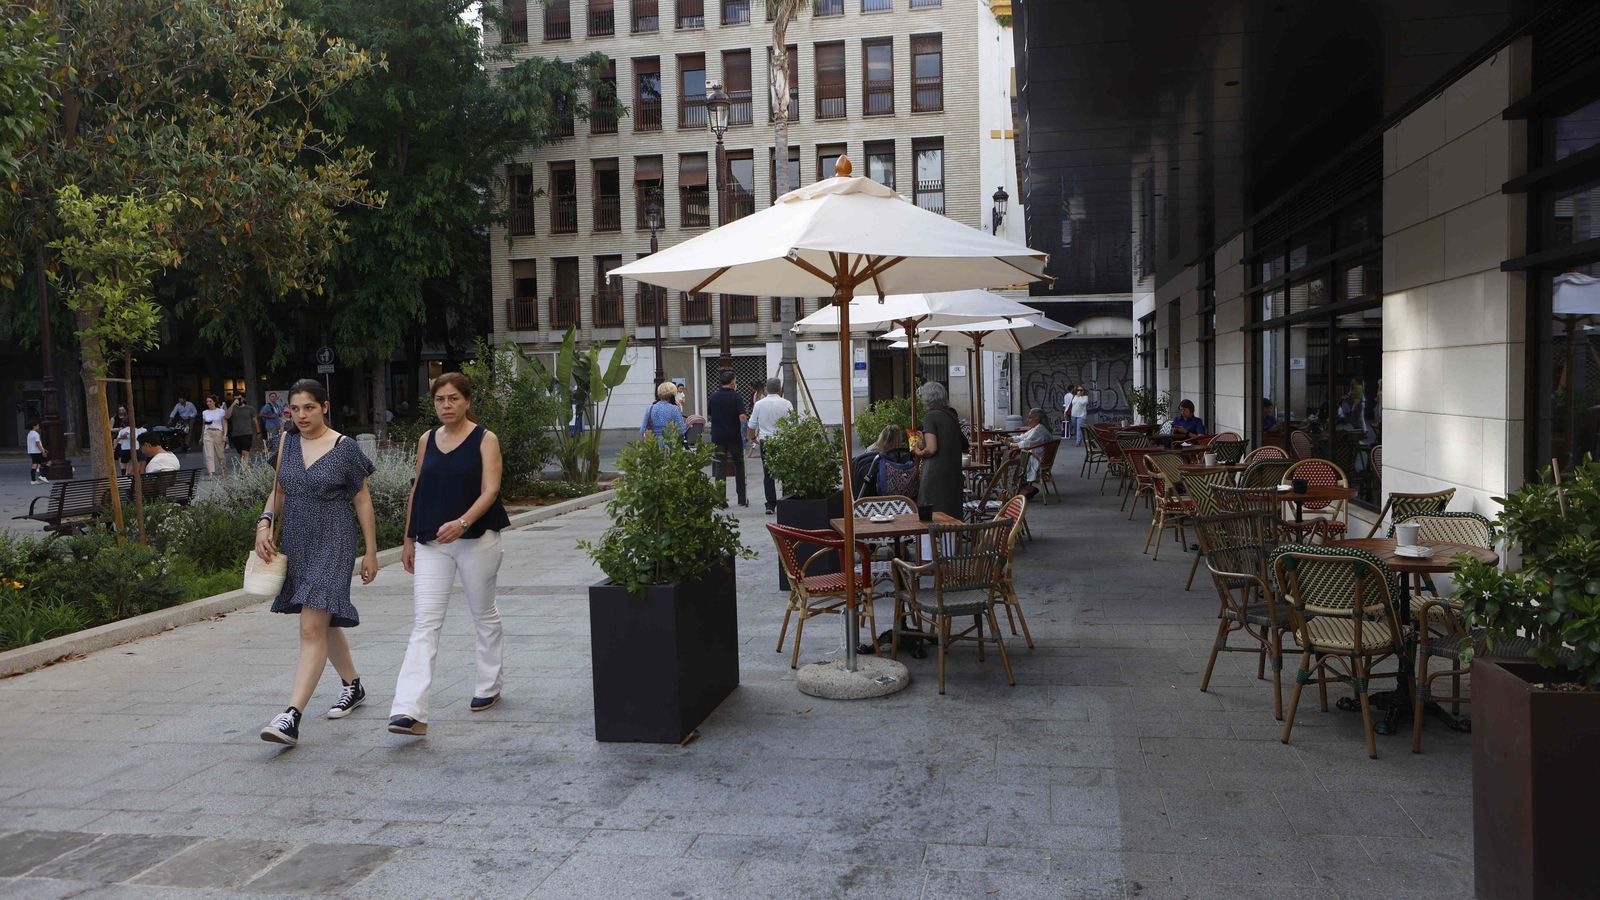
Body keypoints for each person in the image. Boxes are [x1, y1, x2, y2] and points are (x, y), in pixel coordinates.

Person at [256, 378, 378, 747]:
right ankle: (353, 685)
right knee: (322, 619)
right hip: (297, 540)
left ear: (325, 406)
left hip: (334, 538)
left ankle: (290, 716)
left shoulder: (345, 447)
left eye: (309, 407)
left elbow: (362, 500)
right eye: (295, 408)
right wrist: (264, 524)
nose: (302, 415)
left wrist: (371, 551)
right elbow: (279, 491)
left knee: (311, 626)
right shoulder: (286, 443)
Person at [389, 373, 511, 737]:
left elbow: (490, 490)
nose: (446, 405)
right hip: (431, 541)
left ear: (467, 401)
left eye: (453, 398)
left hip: (477, 537)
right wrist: (408, 539)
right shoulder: (426, 439)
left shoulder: (485, 439)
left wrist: (462, 522)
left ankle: (489, 684)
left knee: (483, 613)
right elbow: (418, 489)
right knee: (425, 623)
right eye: (440, 399)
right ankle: (409, 711)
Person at [911, 381, 965, 520]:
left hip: (935, 475)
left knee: (931, 516)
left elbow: (931, 448)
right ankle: (952, 535)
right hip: (953, 474)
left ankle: (932, 536)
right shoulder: (951, 415)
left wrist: (918, 452)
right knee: (950, 516)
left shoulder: (930, 416)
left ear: (927, 398)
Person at [747, 378, 794, 514]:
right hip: (782, 440)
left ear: (767, 389)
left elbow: (751, 425)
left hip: (766, 441)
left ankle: (770, 504)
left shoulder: (759, 404)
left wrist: (753, 438)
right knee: (785, 472)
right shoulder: (787, 404)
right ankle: (786, 501)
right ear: (779, 389)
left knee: (768, 473)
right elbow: (792, 425)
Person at [707, 369, 748, 507]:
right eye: (735, 380)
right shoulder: (736, 396)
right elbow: (742, 416)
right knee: (739, 465)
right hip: (734, 436)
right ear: (732, 382)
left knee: (720, 466)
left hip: (718, 436)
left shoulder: (713, 396)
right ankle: (741, 498)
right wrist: (745, 433)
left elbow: (710, 414)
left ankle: (720, 499)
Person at [852, 424, 917, 499]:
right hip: (887, 495)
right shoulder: (893, 456)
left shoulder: (870, 453)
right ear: (898, 440)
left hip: (866, 494)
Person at [1014, 408, 1054, 497]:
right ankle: (1024, 487)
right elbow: (1023, 437)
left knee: (1012, 462)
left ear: (1037, 418)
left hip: (1037, 459)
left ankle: (1024, 488)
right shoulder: (1037, 428)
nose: (1028, 420)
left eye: (1030, 417)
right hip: (1039, 457)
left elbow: (1027, 443)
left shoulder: (1039, 429)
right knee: (1015, 458)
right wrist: (1011, 439)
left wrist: (1011, 444)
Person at [228, 393, 259, 470]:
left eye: (239, 398)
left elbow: (255, 421)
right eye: (235, 399)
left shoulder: (250, 408)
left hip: (247, 433)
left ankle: (243, 471)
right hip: (236, 434)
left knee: (245, 452)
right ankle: (247, 467)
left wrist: (258, 432)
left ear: (243, 399)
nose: (237, 400)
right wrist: (232, 404)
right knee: (241, 454)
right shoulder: (232, 408)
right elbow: (227, 416)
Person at [200, 394, 226, 477]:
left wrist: (225, 435)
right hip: (208, 433)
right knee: (209, 454)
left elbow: (224, 423)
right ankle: (211, 473)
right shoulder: (205, 412)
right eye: (207, 401)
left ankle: (223, 469)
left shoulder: (221, 411)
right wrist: (201, 437)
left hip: (218, 432)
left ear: (214, 402)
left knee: (220, 454)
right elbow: (203, 425)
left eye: (210, 401)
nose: (208, 403)